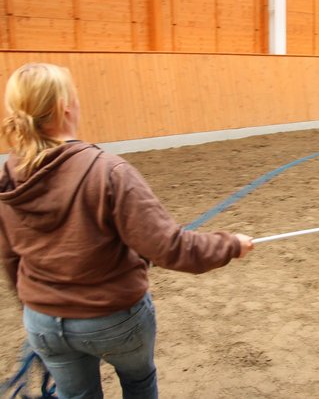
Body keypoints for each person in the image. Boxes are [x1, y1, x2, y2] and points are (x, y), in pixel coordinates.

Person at [0, 63, 255, 398]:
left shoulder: (8, 177)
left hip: (43, 321)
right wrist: (230, 245)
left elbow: (10, 259)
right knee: (139, 381)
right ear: (66, 106)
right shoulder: (109, 171)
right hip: (113, 319)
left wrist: (36, 312)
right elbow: (168, 247)